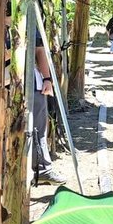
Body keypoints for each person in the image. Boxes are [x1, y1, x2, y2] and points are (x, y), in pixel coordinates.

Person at [32, 34, 66, 186]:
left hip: (31, 83)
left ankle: (42, 168)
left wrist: (47, 79)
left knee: (37, 128)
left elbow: (39, 50)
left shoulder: (27, 13)